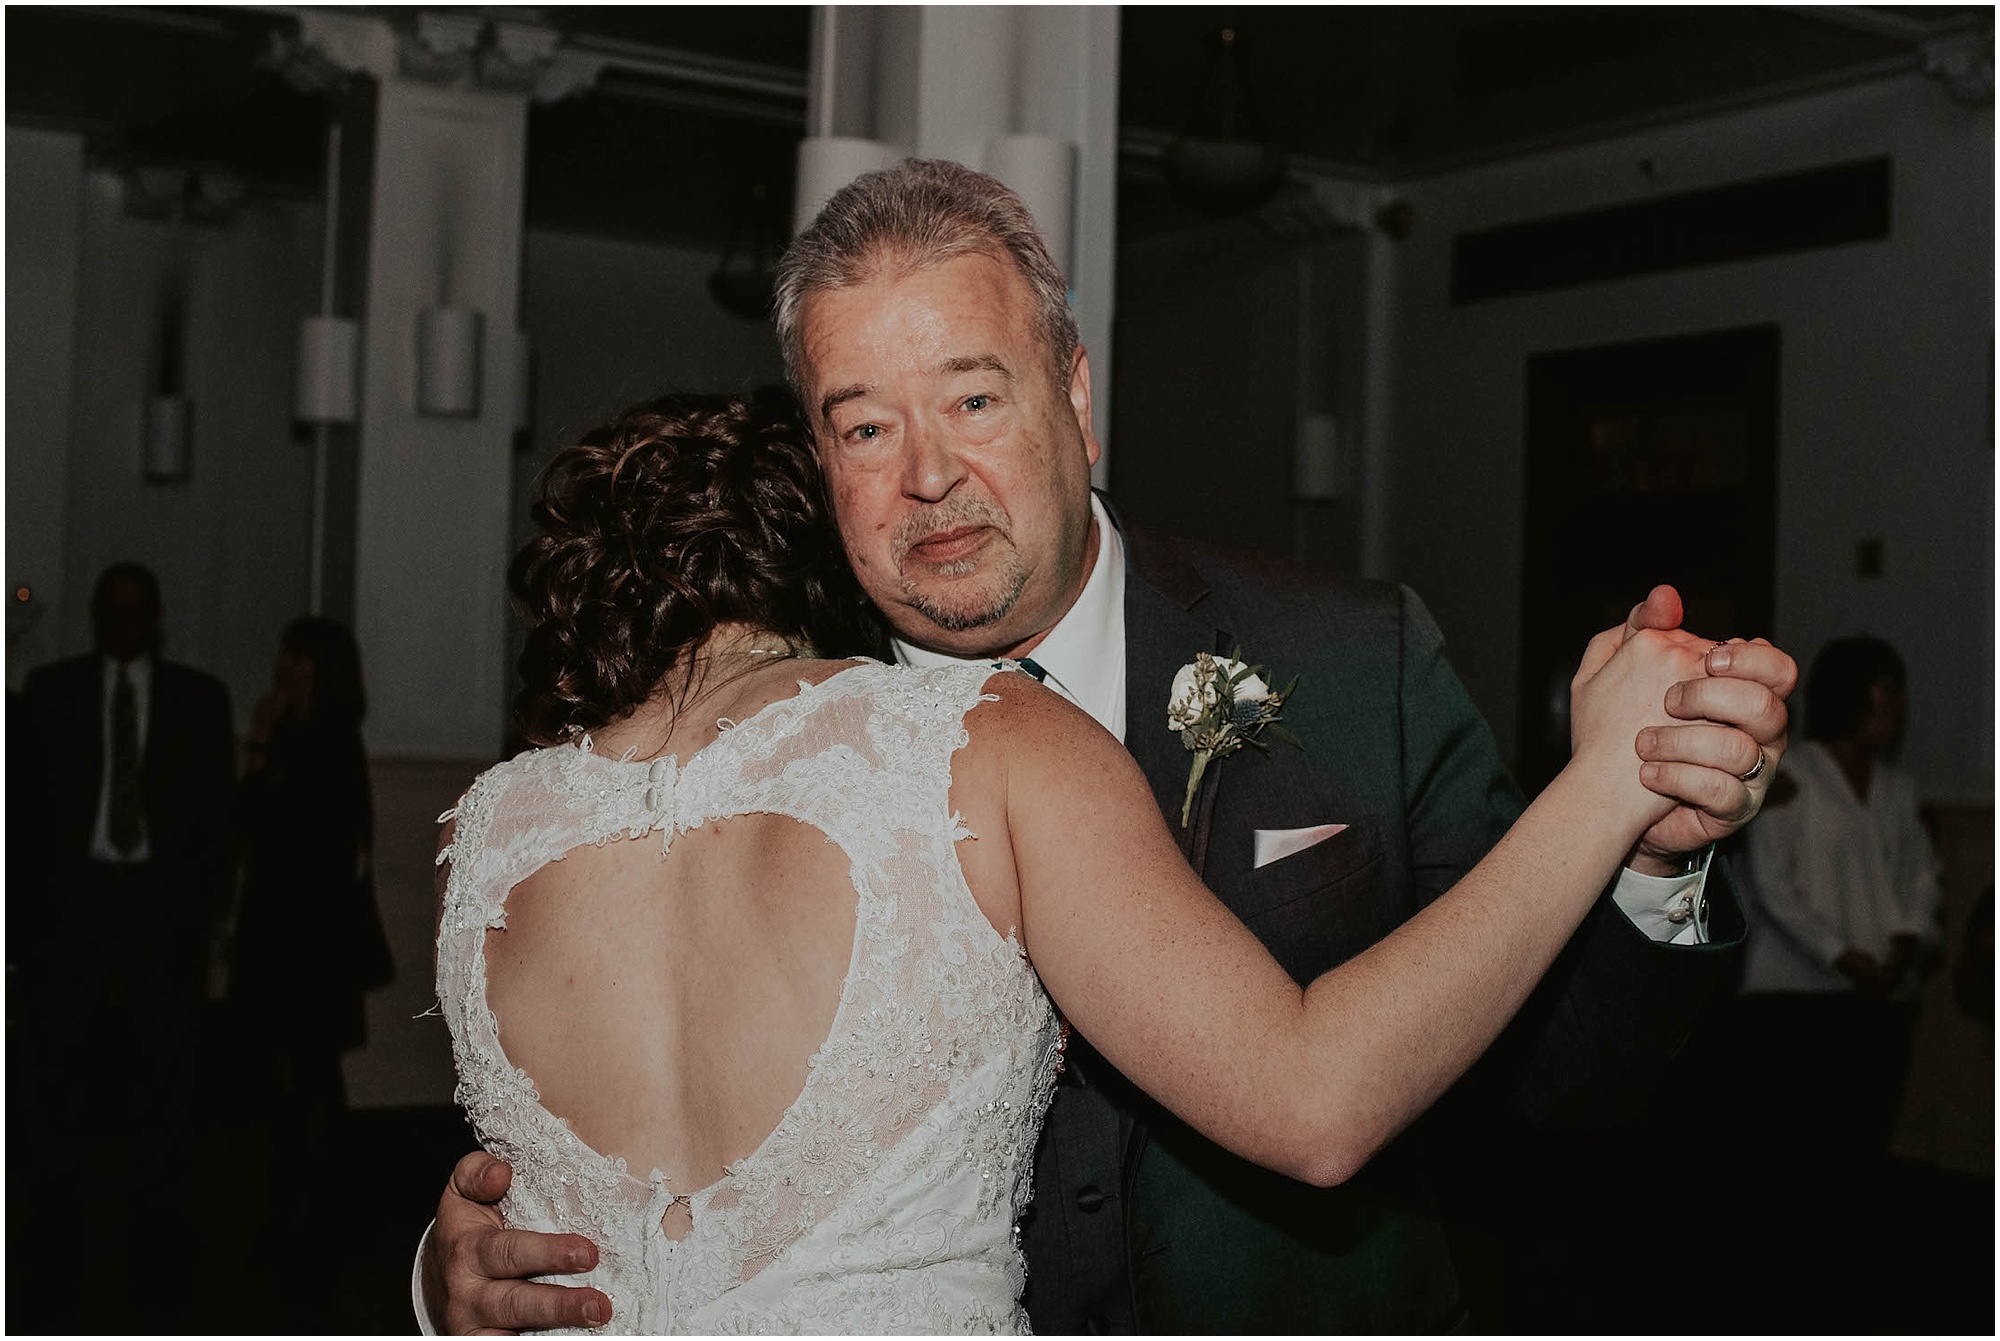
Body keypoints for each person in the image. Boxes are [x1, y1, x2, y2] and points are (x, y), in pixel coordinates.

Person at [420, 161, 1797, 1333]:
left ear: (1075, 400)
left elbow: (1558, 1083)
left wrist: (1642, 849)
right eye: (864, 424)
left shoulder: (1348, 657)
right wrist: (453, 1266)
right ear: (818, 456)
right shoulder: (755, 736)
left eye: (973, 398)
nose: (928, 474)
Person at [16, 561, 235, 1326]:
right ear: (93, 617)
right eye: (109, 611)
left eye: (134, 611)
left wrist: (205, 916)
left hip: (158, 908)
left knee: (165, 1065)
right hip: (73, 905)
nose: (122, 624)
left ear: (156, 617)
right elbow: (26, 816)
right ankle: (52, 1220)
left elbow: (216, 820)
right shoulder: (50, 694)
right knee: (57, 1066)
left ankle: (162, 1219)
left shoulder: (198, 699)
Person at [1740, 635, 1942, 1157]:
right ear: (1854, 694)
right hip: (1796, 1002)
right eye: (1887, 690)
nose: (1899, 707)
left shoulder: (1900, 788)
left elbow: (1922, 876)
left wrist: (1905, 942)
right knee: (1801, 1147)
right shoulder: (1788, 774)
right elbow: (1771, 883)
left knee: (1864, 1144)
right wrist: (1839, 953)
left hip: (1881, 1001)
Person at [230, 616, 383, 1143]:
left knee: (307, 1062)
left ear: (319, 669)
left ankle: (315, 1184)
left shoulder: (328, 738)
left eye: (295, 658)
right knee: (295, 1060)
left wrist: (258, 746)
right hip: (292, 923)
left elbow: (279, 823)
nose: (282, 668)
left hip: (307, 928)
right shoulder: (303, 733)